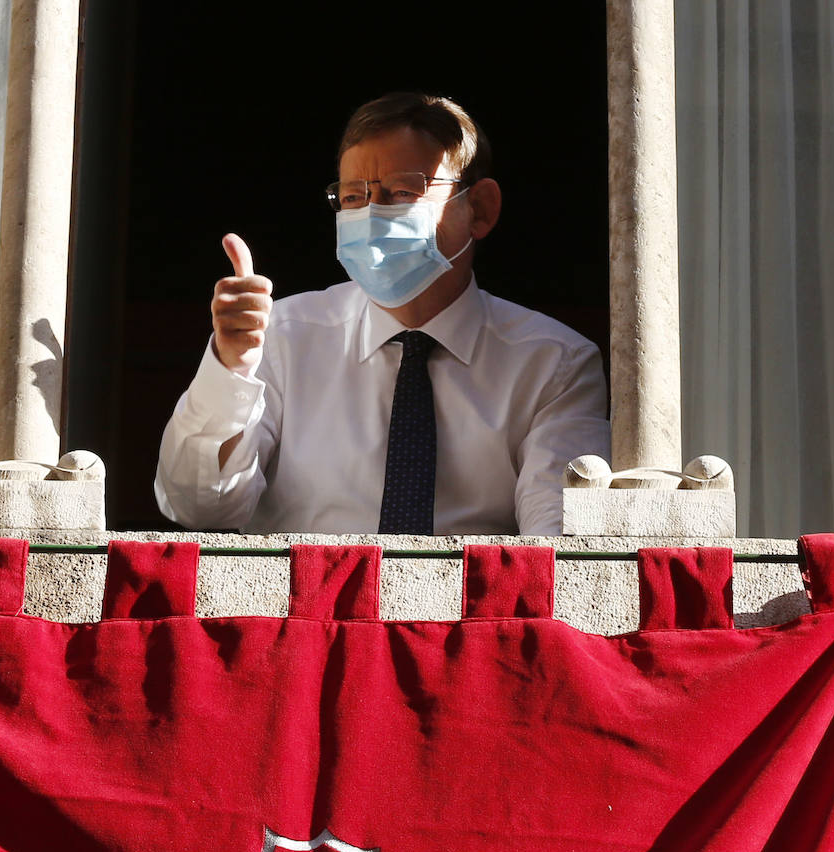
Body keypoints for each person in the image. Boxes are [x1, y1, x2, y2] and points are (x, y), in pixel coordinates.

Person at [156, 92, 610, 535]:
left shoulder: (555, 362)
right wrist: (231, 369)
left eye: (403, 191)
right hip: (300, 605)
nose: (373, 215)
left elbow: (557, 540)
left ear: (480, 208)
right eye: (353, 197)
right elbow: (199, 509)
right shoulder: (282, 337)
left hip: (466, 606)